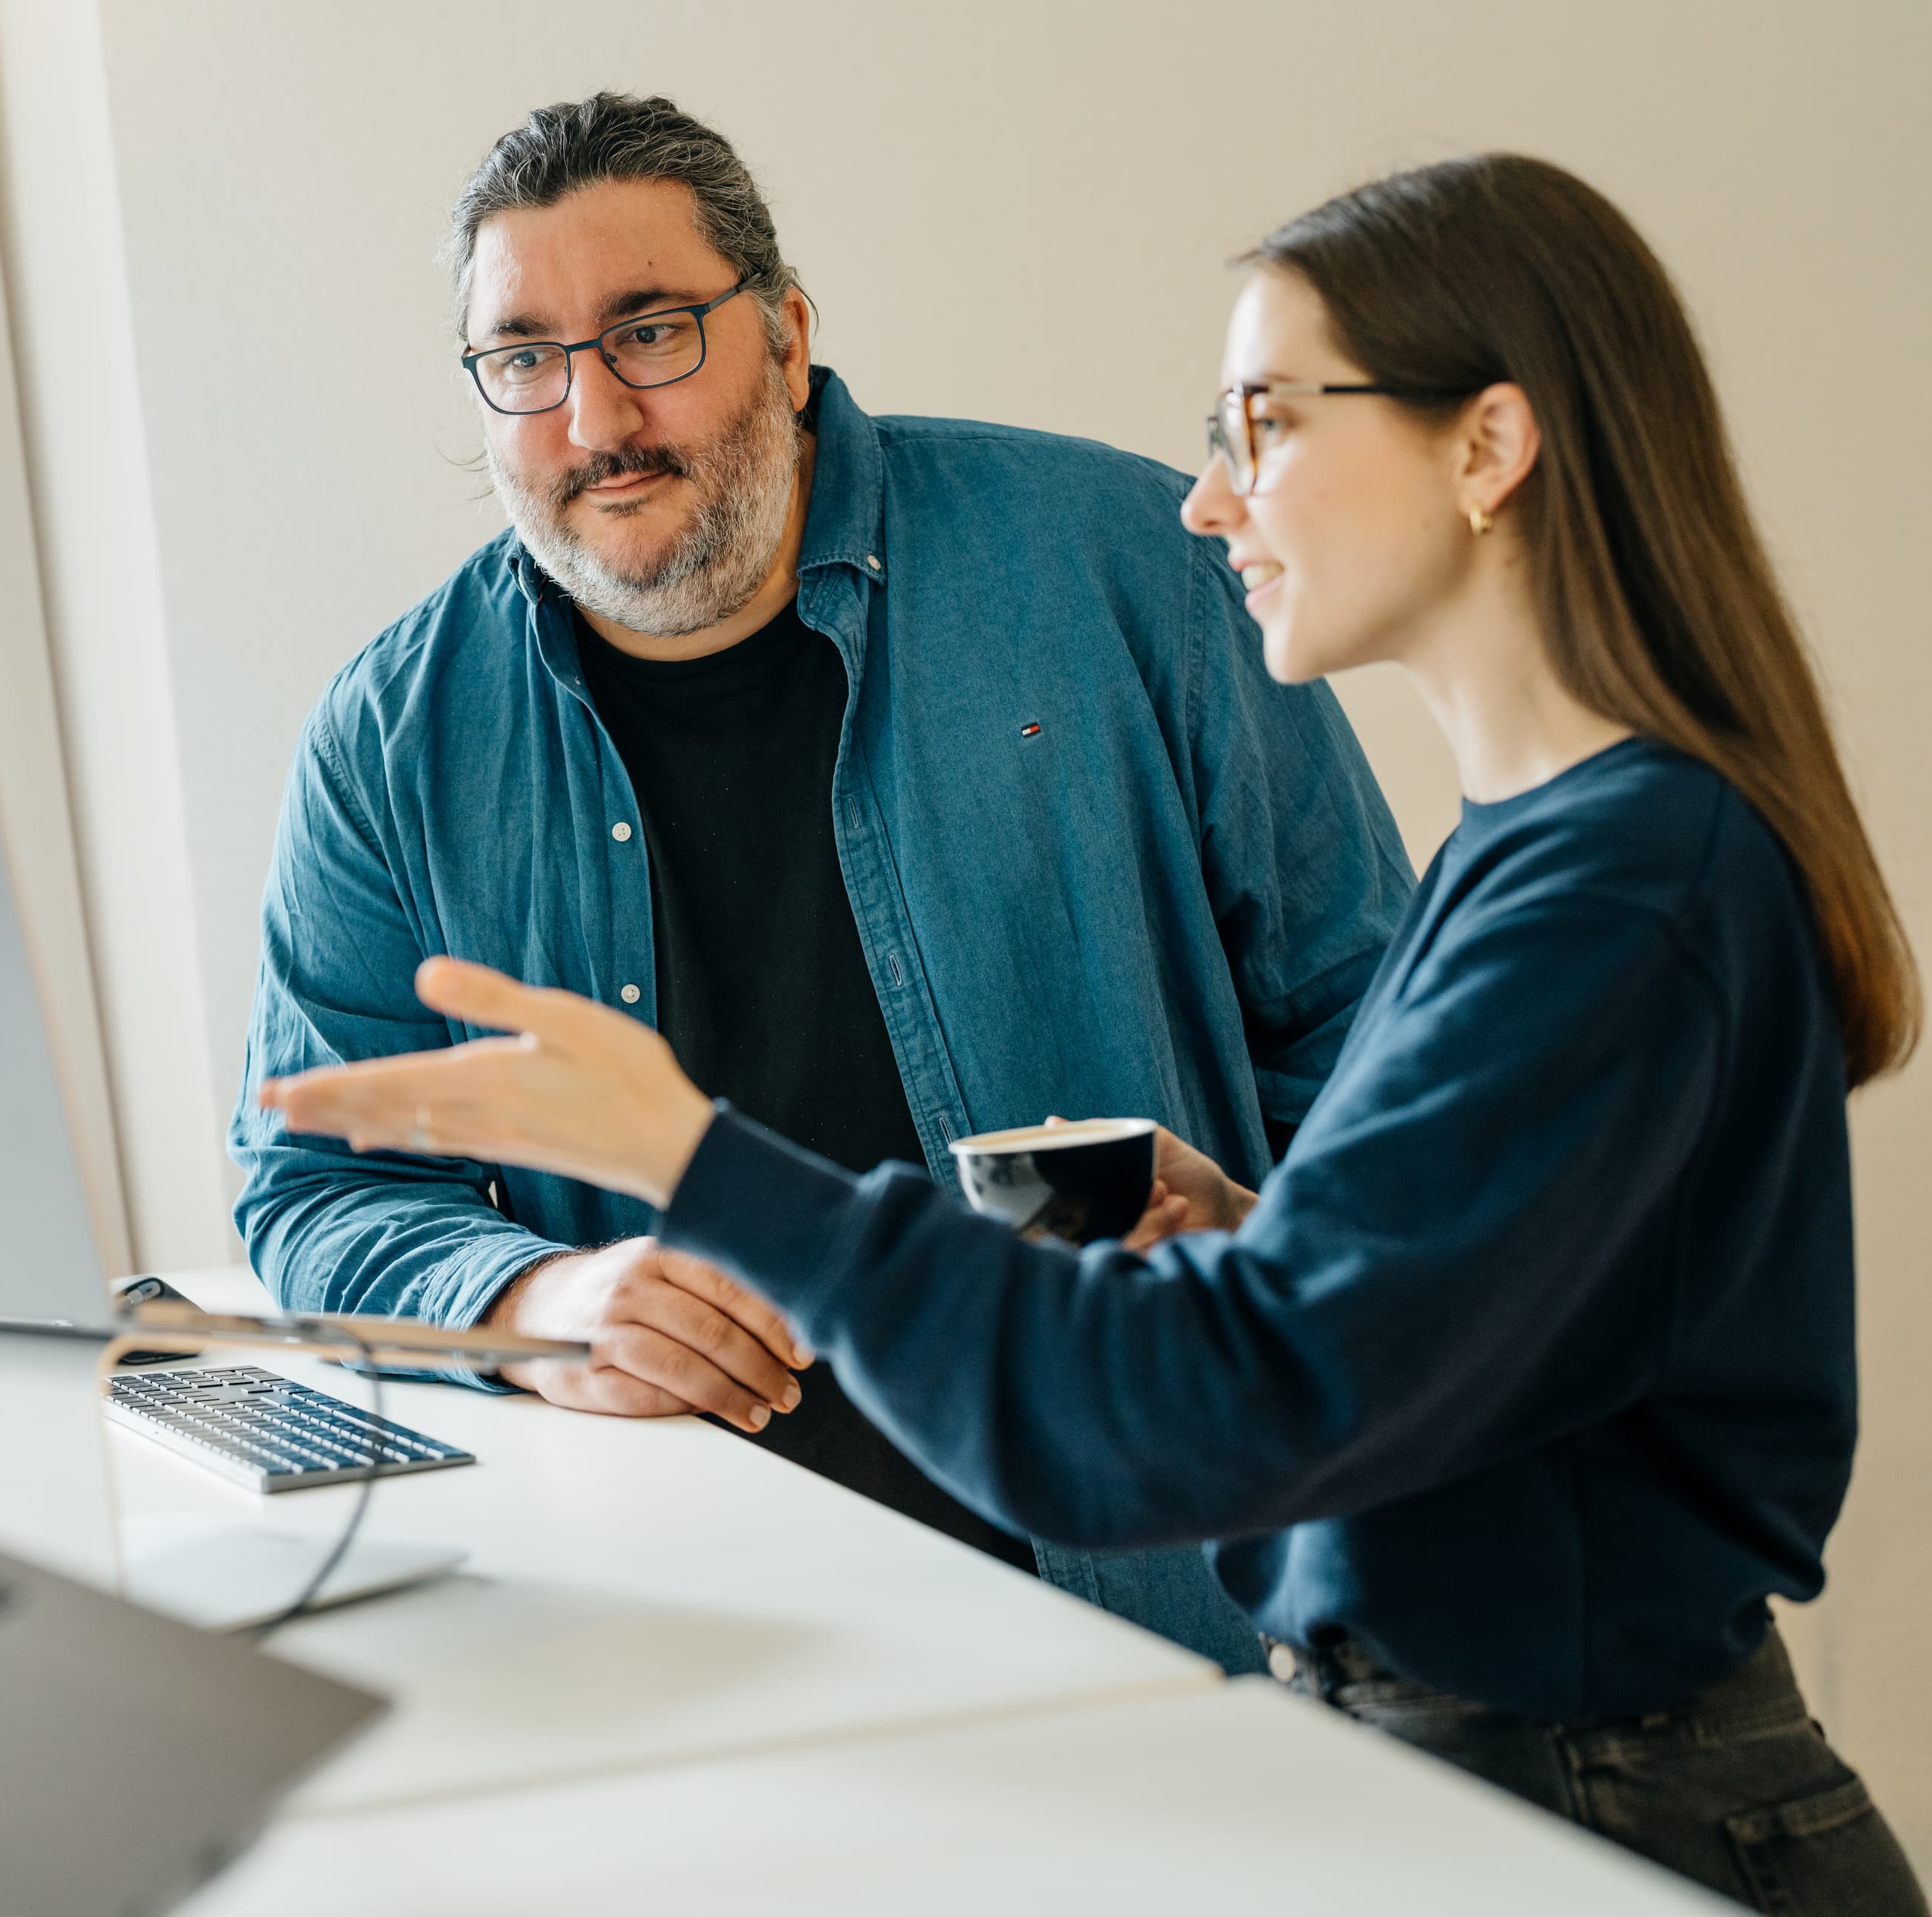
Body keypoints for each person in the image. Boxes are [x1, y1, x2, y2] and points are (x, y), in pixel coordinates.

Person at [261, 153, 1926, 1913]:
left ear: (1485, 447)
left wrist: (688, 1156)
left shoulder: (1611, 882)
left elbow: (1207, 1406)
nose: (1211, 503)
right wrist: (1275, 1236)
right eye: (521, 355)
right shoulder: (1549, 851)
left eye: (1264, 421)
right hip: (1394, 1746)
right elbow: (1425, 1288)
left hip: (1570, 1798)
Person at [230, 92, 1412, 1666]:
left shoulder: (1136, 568)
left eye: (650, 330)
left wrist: (1284, 1308)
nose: (592, 421)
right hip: (700, 1625)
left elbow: (1375, 1051)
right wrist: (536, 1302)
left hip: (1167, 1592)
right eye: (524, 358)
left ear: (785, 338)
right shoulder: (392, 736)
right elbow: (313, 1179)